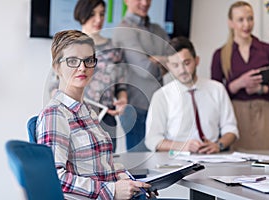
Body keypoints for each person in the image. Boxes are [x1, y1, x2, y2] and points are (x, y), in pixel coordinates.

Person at [36, 30, 151, 199]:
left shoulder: (88, 111)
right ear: (56, 67)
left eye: (88, 60)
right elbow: (53, 178)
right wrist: (111, 191)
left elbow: (105, 165)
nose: (82, 67)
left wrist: (131, 182)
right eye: (72, 61)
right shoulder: (54, 115)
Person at [48, 0, 128, 152]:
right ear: (82, 14)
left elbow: (120, 85)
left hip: (106, 119)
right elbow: (54, 86)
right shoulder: (69, 46)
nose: (98, 19)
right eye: (92, 14)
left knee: (107, 166)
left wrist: (122, 100)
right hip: (76, 118)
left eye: (102, 14)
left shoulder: (114, 49)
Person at [145, 36, 239, 154]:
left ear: (197, 60)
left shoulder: (217, 89)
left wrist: (219, 145)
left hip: (212, 157)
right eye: (175, 65)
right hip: (175, 159)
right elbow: (152, 140)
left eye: (186, 63)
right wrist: (183, 146)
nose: (182, 70)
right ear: (168, 66)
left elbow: (231, 129)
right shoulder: (161, 96)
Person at [211, 1, 269, 150]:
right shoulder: (220, 55)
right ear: (230, 23)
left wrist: (261, 90)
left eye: (250, 18)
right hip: (235, 118)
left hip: (265, 115)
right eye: (241, 19)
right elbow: (213, 96)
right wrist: (237, 84)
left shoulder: (266, 50)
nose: (247, 24)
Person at [112, 0, 170, 152]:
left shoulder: (158, 30)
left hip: (158, 107)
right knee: (141, 168)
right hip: (135, 109)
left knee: (160, 164)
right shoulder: (124, 29)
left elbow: (173, 61)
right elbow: (145, 68)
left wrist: (156, 60)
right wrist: (160, 61)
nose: (145, 3)